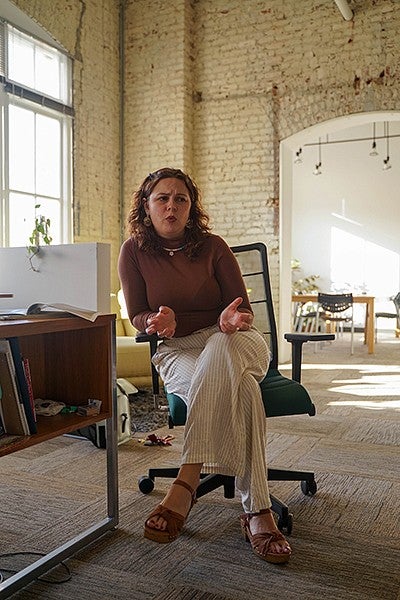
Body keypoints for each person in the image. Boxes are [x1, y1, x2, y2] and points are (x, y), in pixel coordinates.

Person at [118, 167, 291, 564]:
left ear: (191, 206)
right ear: (146, 206)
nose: (172, 205)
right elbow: (138, 314)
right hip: (176, 348)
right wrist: (154, 323)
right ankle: (257, 511)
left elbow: (240, 309)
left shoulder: (213, 246)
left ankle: (187, 478)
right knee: (243, 391)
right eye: (162, 198)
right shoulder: (134, 251)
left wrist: (232, 321)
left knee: (219, 347)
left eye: (181, 198)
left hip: (234, 340)